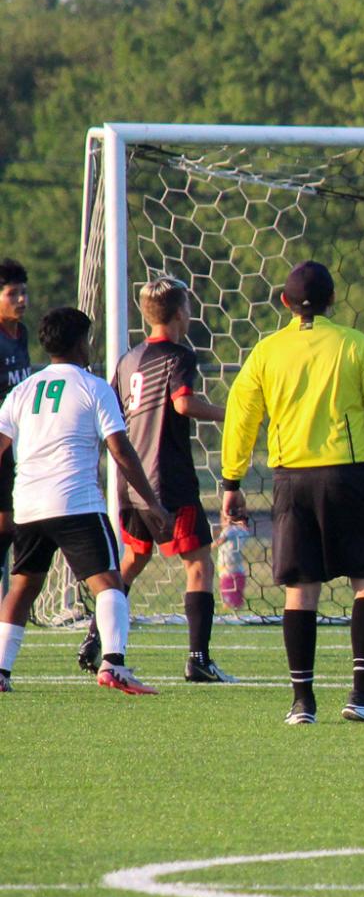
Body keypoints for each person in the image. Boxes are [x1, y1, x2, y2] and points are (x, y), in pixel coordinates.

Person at [220, 261, 364, 725]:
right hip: (346, 476)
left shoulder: (267, 352)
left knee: (300, 590)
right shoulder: (352, 343)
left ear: (284, 303)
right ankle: (363, 692)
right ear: (333, 302)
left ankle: (302, 702)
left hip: (290, 481)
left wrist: (231, 480)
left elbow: (241, 413)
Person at [0, 308, 173, 695]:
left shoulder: (22, 390)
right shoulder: (94, 388)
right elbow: (121, 450)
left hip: (28, 504)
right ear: (81, 342)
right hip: (75, 504)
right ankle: (114, 664)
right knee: (110, 584)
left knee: (22, 588)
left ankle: (1, 670)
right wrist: (152, 504)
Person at [77, 279, 238, 683]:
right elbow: (182, 403)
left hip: (130, 481)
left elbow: (111, 412)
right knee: (198, 562)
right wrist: (230, 413)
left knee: (132, 560)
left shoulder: (129, 358)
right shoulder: (180, 355)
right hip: (168, 480)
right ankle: (199, 658)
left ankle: (95, 636)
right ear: (181, 313)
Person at [0, 260, 34, 580]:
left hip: (19, 446)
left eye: (24, 292)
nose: (22, 300)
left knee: (12, 526)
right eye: (12, 294)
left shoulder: (20, 333)